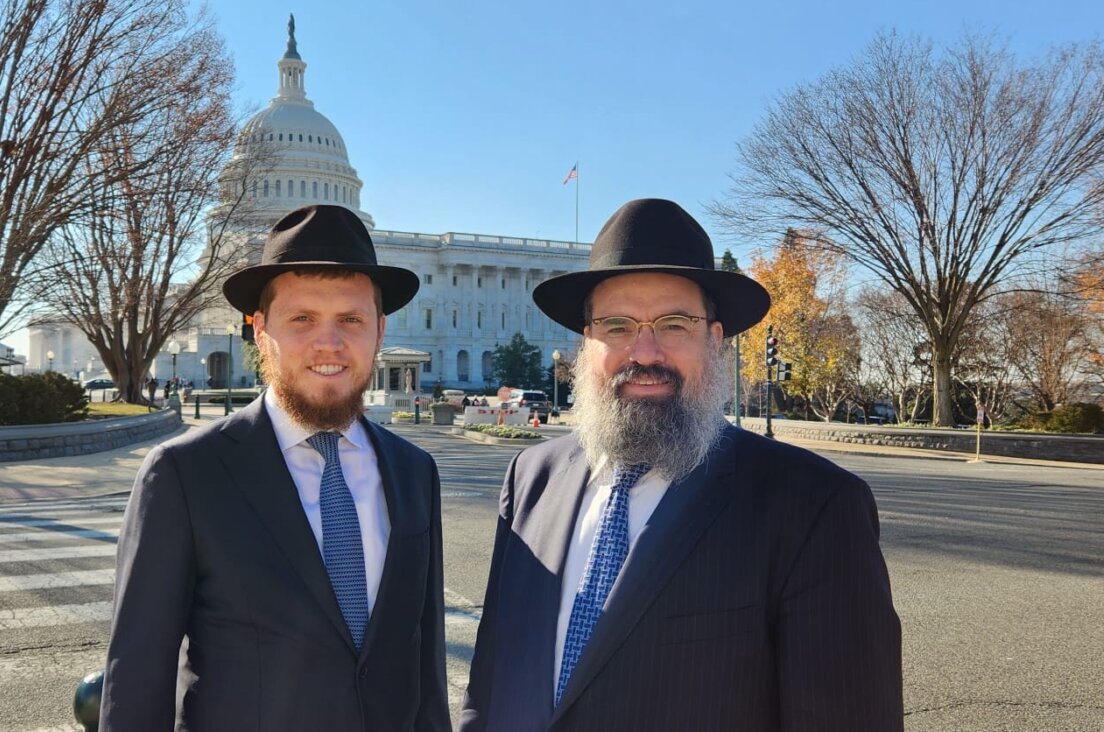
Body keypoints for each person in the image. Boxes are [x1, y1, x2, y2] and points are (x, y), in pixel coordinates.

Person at [459, 199, 902, 731]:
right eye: (617, 326)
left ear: (714, 340)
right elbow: (489, 682)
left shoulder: (813, 506)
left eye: (674, 324)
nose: (644, 352)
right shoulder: (532, 478)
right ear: (586, 342)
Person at [101, 204, 450, 731]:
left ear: (379, 331)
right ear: (261, 331)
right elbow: (137, 679)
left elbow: (425, 665)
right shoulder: (185, 474)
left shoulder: (414, 472)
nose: (328, 343)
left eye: (350, 320)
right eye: (302, 319)